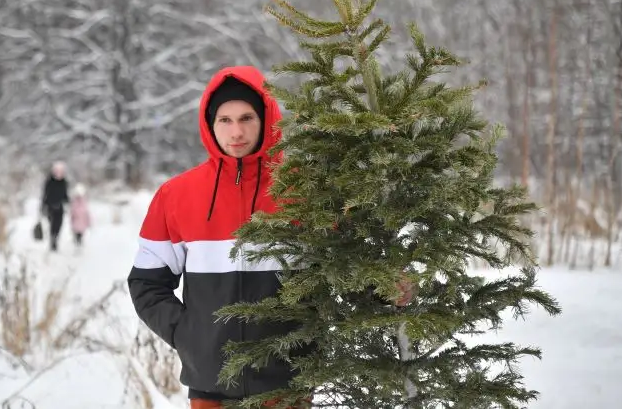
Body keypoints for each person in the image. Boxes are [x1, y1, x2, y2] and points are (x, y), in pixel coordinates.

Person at [128, 66, 413, 408]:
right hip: (211, 388)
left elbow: (343, 268)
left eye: (247, 117)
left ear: (266, 117)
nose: (237, 131)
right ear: (209, 123)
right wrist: (187, 335)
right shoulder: (176, 195)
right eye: (225, 120)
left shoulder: (305, 189)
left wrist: (385, 288)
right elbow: (147, 283)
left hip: (289, 383)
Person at [41, 161, 69, 251]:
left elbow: (65, 194)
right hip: (51, 206)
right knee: (52, 223)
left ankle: (55, 237)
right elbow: (45, 194)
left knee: (59, 224)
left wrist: (67, 201)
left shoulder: (64, 182)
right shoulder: (49, 182)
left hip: (59, 206)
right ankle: (53, 239)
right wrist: (43, 205)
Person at [70, 182, 91, 246]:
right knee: (76, 232)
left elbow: (87, 212)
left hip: (81, 221)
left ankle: (79, 242)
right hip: (76, 220)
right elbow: (72, 212)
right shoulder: (74, 202)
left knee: (80, 233)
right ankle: (77, 242)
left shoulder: (84, 202)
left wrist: (88, 221)